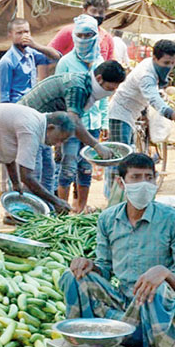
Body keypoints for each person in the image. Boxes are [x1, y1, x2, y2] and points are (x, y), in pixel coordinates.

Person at [62, 153, 175, 347]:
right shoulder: (108, 219)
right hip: (125, 303)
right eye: (135, 177)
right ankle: (86, 339)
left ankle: (152, 345)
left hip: (162, 309)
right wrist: (89, 265)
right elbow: (104, 269)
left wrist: (164, 273)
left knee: (154, 288)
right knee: (73, 277)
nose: (144, 183)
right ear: (121, 182)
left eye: (148, 177)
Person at [18, 64, 126, 193]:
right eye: (109, 88)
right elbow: (73, 121)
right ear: (99, 79)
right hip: (28, 127)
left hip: (43, 129)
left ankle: (44, 209)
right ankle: (23, 208)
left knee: (48, 172)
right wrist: (96, 146)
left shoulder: (84, 84)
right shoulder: (77, 88)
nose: (110, 92)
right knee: (32, 174)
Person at [106, 39, 175, 193]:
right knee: (119, 159)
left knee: (127, 155)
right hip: (120, 116)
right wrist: (169, 113)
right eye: (165, 63)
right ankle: (113, 196)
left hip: (132, 114)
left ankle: (124, 195)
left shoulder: (150, 66)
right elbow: (153, 98)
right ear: (155, 59)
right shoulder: (146, 75)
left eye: (172, 63)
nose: (169, 67)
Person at [0, 107, 74, 230]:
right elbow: (27, 176)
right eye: (59, 139)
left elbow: (10, 153)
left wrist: (15, 183)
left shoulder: (36, 123)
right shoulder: (31, 130)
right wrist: (56, 201)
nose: (57, 145)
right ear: (51, 128)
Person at [53, 15, 109, 211]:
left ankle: (81, 208)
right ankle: (62, 209)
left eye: (89, 35)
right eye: (81, 35)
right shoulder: (66, 62)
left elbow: (103, 97)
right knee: (68, 167)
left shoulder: (100, 61)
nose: (85, 39)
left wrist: (104, 122)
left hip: (93, 124)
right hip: (70, 126)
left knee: (86, 168)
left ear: (96, 36)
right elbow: (58, 96)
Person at [0, 18, 62, 103]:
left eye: (26, 32)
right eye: (19, 33)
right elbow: (4, 97)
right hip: (18, 106)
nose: (24, 36)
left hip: (33, 102)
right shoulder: (7, 62)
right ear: (10, 35)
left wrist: (36, 45)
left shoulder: (31, 53)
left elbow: (56, 57)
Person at [49, 0, 115, 62]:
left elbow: (110, 64)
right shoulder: (69, 31)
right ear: (84, 11)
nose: (97, 15)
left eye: (101, 13)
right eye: (93, 11)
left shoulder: (107, 38)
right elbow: (48, 54)